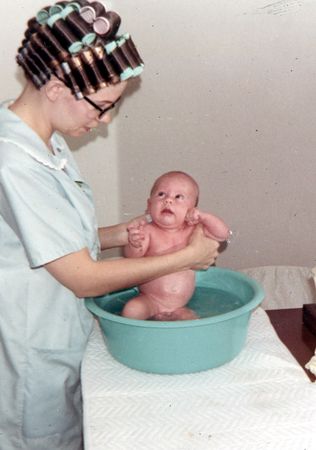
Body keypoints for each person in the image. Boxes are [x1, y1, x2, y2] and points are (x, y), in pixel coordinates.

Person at [0, 2, 220, 449]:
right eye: (101, 107)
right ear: (58, 87)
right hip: (31, 352)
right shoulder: (13, 161)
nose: (102, 122)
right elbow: (82, 278)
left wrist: (121, 234)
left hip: (58, 334)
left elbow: (49, 240)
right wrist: (187, 257)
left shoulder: (46, 141)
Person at [122, 171, 231, 320]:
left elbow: (222, 234)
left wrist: (204, 217)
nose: (168, 200)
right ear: (149, 205)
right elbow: (133, 259)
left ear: (192, 208)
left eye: (178, 197)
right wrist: (134, 243)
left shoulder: (193, 230)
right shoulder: (148, 231)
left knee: (193, 324)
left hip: (180, 306)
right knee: (132, 310)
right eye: (161, 194)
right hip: (150, 300)